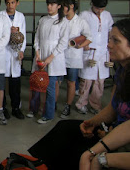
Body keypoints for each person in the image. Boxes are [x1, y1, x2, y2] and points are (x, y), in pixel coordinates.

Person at [28, 18, 130, 170]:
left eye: (116, 41)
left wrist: (104, 140)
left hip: (123, 140)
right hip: (114, 131)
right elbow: (114, 108)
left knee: (76, 153)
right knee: (65, 129)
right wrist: (92, 122)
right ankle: (34, 164)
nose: (109, 45)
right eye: (109, 39)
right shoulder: (122, 71)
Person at [30, 0, 69, 124]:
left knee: (51, 88)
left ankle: (49, 114)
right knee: (37, 84)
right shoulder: (43, 20)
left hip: (54, 58)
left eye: (52, 4)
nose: (49, 7)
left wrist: (50, 58)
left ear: (59, 6)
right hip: (41, 57)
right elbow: (37, 38)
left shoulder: (63, 21)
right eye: (48, 4)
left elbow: (63, 43)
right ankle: (34, 109)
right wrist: (38, 53)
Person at [76, 0, 114, 115]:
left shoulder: (107, 15)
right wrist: (83, 44)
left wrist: (110, 44)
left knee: (100, 81)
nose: (100, 11)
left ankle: (95, 105)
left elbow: (110, 31)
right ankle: (81, 104)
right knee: (86, 81)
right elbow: (77, 32)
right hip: (89, 51)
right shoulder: (84, 15)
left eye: (102, 8)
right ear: (92, 4)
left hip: (103, 51)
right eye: (98, 8)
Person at [60, 0, 92, 119]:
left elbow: (89, 37)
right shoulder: (60, 20)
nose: (62, 8)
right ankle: (53, 104)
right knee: (57, 81)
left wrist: (80, 46)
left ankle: (68, 105)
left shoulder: (80, 22)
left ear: (71, 6)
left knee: (71, 82)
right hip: (59, 55)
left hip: (73, 56)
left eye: (64, 6)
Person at [0, 0, 27, 120]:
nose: (11, 5)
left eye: (13, 2)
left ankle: (16, 108)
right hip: (4, 52)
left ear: (17, 3)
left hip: (15, 53)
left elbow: (24, 35)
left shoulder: (21, 16)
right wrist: (8, 31)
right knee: (2, 84)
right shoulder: (0, 15)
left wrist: (21, 50)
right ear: (5, 4)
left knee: (15, 83)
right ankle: (3, 108)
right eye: (8, 3)